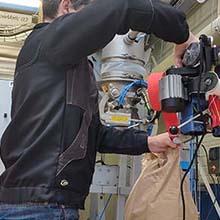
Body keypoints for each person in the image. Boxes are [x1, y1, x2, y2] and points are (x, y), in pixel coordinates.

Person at [0, 0, 197, 219]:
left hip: (46, 203)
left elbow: (95, 134)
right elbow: (122, 7)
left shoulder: (63, 66)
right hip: (39, 206)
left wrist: (148, 142)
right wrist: (183, 35)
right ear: (66, 6)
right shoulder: (49, 39)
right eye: (88, 15)